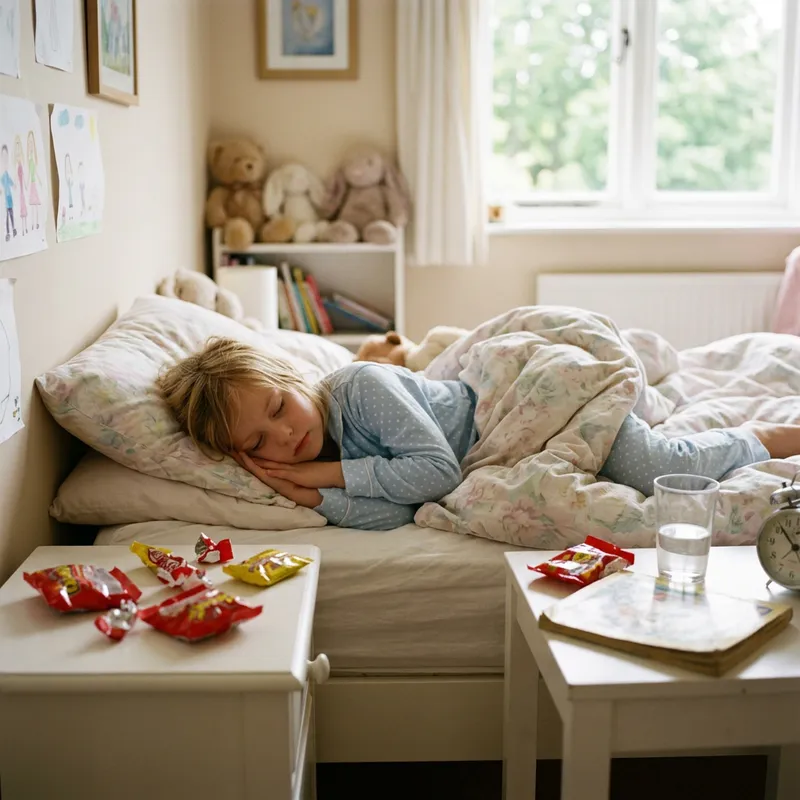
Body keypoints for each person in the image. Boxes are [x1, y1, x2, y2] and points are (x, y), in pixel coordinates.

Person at [158, 337, 794, 531]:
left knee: (652, 462)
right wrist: (310, 499)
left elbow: (434, 474)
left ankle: (760, 437)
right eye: (257, 444)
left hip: (528, 405)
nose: (284, 436)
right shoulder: (315, 456)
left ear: (294, 378)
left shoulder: (358, 387)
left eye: (277, 406)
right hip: (508, 445)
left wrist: (327, 477)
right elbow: (394, 515)